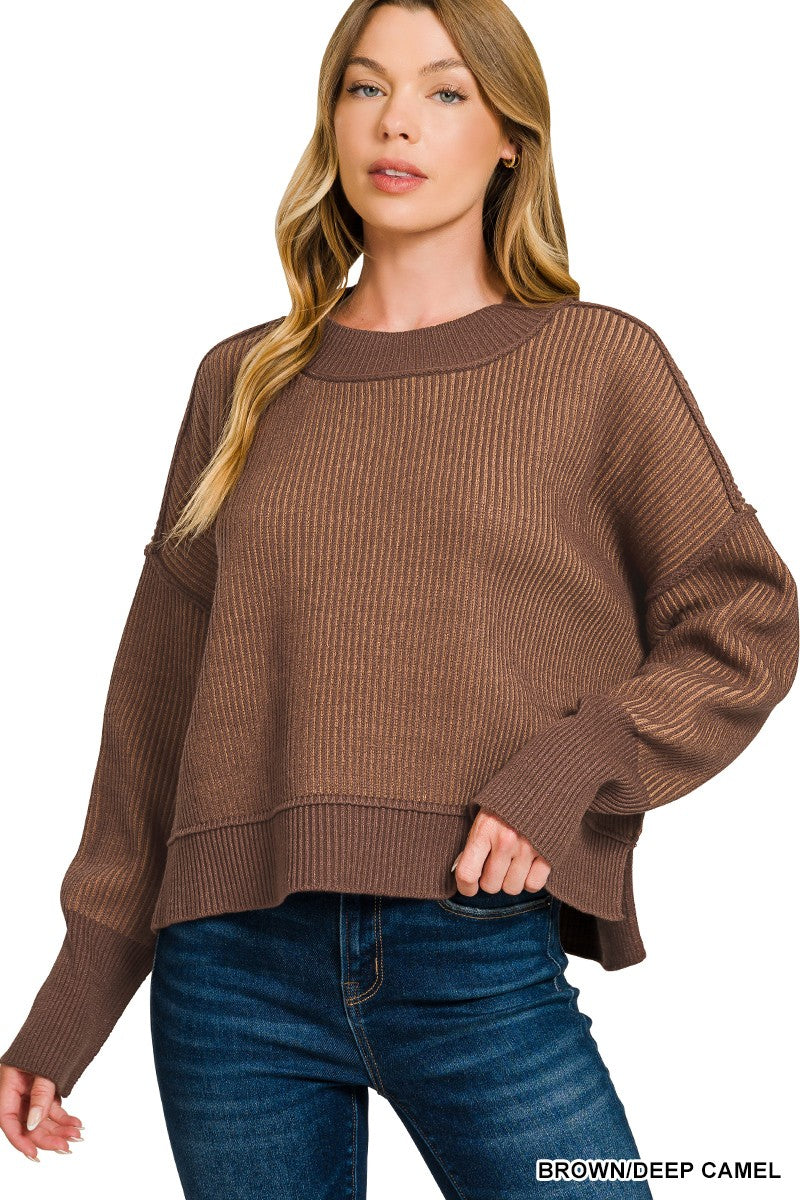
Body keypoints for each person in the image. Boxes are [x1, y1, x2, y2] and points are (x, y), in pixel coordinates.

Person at [1, 1, 797, 1195]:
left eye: (444, 91)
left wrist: (568, 768)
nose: (395, 123)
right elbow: (156, 707)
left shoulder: (596, 365)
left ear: (510, 137)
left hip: (474, 946)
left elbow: (742, 619)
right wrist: (71, 1004)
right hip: (229, 972)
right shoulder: (241, 381)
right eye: (364, 87)